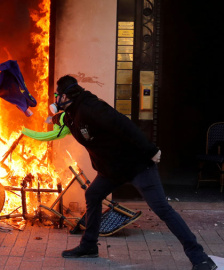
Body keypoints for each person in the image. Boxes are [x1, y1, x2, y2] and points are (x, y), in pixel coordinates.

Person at [52, 75, 216, 270]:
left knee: (162, 208)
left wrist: (151, 150)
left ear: (66, 96)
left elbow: (124, 125)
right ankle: (89, 246)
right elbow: (79, 130)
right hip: (112, 169)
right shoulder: (73, 112)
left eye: (58, 95)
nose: (55, 99)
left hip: (137, 165)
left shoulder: (93, 108)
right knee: (93, 194)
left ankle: (200, 257)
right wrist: (58, 118)